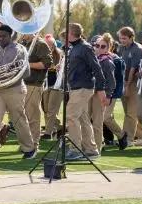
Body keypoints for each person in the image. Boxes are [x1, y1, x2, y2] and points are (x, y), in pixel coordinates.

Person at [0, 25, 36, 161]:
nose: (1, 39)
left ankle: (29, 148)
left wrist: (7, 73)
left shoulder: (19, 50)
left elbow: (26, 72)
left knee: (19, 120)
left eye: (4, 36)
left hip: (15, 90)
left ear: (11, 37)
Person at [63, 23, 108, 160]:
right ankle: (91, 149)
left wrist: (101, 88)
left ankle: (75, 149)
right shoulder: (75, 47)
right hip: (77, 88)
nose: (65, 34)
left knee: (71, 116)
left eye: (66, 31)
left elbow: (97, 68)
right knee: (82, 117)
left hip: (82, 88)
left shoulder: (85, 47)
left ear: (71, 33)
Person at [20, 32, 52, 149]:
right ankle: (26, 142)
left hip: (34, 84)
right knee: (23, 116)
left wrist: (27, 64)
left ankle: (33, 143)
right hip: (22, 83)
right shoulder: (22, 43)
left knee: (32, 115)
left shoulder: (40, 44)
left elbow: (47, 63)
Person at [117, 26, 142, 147]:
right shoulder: (122, 48)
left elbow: (133, 70)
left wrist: (127, 86)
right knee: (129, 113)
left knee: (131, 113)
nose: (122, 41)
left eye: (124, 38)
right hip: (124, 82)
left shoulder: (138, 49)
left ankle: (128, 139)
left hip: (134, 83)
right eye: (120, 38)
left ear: (131, 37)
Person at [92, 35, 117, 153]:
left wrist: (108, 95)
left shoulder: (107, 61)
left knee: (97, 122)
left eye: (103, 46)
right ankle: (90, 145)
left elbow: (112, 81)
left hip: (101, 94)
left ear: (108, 48)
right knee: (88, 120)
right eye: (97, 45)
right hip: (91, 91)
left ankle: (97, 147)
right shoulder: (94, 58)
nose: (99, 48)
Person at [41, 34, 63, 140]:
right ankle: (60, 127)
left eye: (51, 44)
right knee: (46, 109)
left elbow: (56, 68)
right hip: (45, 84)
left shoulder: (59, 54)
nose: (49, 46)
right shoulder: (42, 54)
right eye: (47, 44)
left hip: (56, 85)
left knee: (51, 109)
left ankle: (48, 133)